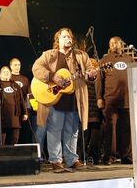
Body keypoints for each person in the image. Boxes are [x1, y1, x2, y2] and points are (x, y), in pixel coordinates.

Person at [32, 27, 96, 171]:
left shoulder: (81, 56)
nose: (68, 39)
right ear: (58, 40)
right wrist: (52, 76)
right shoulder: (49, 55)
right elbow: (36, 68)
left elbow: (89, 71)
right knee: (55, 130)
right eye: (64, 37)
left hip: (75, 99)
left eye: (69, 37)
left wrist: (92, 75)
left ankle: (72, 159)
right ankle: (56, 160)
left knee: (72, 131)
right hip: (55, 100)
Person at [96, 36, 134, 165]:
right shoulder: (105, 60)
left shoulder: (129, 59)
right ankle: (109, 156)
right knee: (109, 129)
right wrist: (99, 97)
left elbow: (136, 76)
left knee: (126, 128)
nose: (114, 45)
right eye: (111, 43)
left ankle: (126, 156)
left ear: (121, 44)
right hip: (110, 99)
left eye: (116, 42)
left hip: (127, 99)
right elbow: (99, 80)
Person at [0, 66, 28, 145]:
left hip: (15, 117)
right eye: (4, 72)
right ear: (0, 74)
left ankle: (13, 155)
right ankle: (1, 155)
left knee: (14, 138)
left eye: (8, 72)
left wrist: (25, 113)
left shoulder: (15, 85)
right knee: (1, 140)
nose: (6, 73)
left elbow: (22, 100)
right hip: (2, 117)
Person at [9, 58, 32, 144]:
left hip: (23, 109)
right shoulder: (8, 77)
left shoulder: (25, 79)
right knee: (13, 132)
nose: (17, 67)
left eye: (19, 65)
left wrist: (27, 111)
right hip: (12, 109)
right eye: (15, 65)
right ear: (11, 66)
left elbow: (28, 95)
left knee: (23, 132)